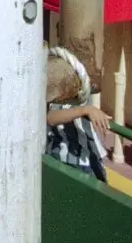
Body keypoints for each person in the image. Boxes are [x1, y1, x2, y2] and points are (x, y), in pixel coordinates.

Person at [46, 46, 111, 179]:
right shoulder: (56, 99)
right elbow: (50, 117)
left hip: (89, 156)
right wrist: (85, 110)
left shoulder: (81, 96)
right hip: (70, 159)